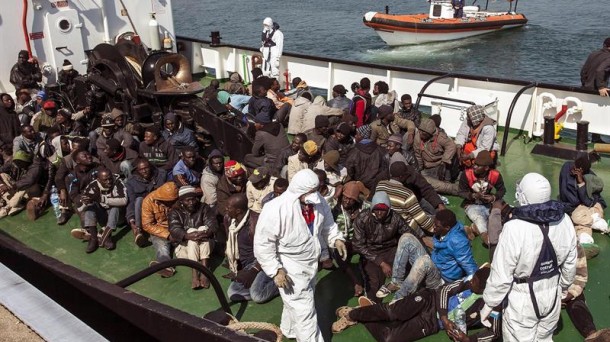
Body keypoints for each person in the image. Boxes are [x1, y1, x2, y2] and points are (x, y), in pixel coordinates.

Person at [482, 173, 578, 341]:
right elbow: (570, 262)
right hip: (552, 294)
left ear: (524, 196)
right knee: (545, 337)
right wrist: (563, 286)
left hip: (523, 298)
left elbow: (502, 274)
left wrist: (489, 303)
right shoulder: (565, 221)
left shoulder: (514, 228)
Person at [254, 169, 347, 341]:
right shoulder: (275, 209)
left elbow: (328, 226)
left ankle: (288, 329)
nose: (315, 195)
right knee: (305, 312)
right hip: (290, 267)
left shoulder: (319, 202)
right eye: (311, 192)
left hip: (311, 263)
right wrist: (276, 270)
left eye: (316, 190)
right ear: (299, 190)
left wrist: (336, 239)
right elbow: (263, 244)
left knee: (297, 302)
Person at [331, 266, 502, 342]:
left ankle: (365, 312)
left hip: (431, 323)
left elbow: (495, 333)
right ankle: (352, 315)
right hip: (429, 302)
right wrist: (444, 316)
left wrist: (468, 340)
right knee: (392, 313)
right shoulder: (471, 280)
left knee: (389, 338)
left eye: (476, 283)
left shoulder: (495, 307)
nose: (472, 282)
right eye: (474, 278)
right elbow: (444, 291)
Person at [352, 191, 421, 301]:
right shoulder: (362, 218)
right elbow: (358, 245)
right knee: (373, 283)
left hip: (391, 250)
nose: (379, 213)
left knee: (413, 272)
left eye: (383, 210)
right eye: (377, 209)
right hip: (371, 254)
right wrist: (381, 262)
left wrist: (426, 253)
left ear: (388, 209)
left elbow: (410, 235)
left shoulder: (395, 218)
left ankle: (407, 301)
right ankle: (373, 308)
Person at [225, 194, 279, 303]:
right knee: (233, 293)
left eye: (229, 207)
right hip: (247, 265)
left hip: (262, 261)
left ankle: (282, 281)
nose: (226, 209)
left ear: (238, 211)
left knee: (258, 296)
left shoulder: (257, 222)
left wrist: (253, 271)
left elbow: (269, 250)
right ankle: (257, 285)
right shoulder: (229, 220)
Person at [169, 185, 217, 289]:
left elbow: (212, 224)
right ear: (181, 201)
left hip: (204, 247)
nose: (191, 203)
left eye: (193, 199)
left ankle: (204, 273)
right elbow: (174, 229)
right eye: (187, 200)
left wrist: (206, 233)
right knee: (191, 231)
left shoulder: (204, 207)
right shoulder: (175, 211)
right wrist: (187, 235)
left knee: (202, 228)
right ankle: (195, 273)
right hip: (185, 250)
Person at [559, 155, 608, 245]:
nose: (573, 170)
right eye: (574, 166)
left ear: (582, 171)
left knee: (578, 218)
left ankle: (595, 222)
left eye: (578, 170)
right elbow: (568, 198)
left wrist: (581, 182)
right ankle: (596, 223)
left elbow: (589, 202)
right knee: (577, 217)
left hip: (590, 205)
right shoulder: (566, 167)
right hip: (576, 207)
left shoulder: (590, 177)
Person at [332, 180, 370, 297]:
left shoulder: (363, 207)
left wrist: (362, 216)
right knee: (339, 255)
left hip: (360, 241)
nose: (347, 201)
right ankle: (356, 282)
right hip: (342, 242)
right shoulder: (335, 208)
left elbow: (375, 207)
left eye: (351, 199)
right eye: (345, 197)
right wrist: (335, 197)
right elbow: (323, 208)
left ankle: (365, 272)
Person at [458, 150, 506, 242]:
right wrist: (473, 196)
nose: (474, 166)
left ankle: (474, 229)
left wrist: (493, 197)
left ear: (486, 168)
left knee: (500, 214)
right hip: (471, 204)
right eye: (475, 163)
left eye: (478, 165)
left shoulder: (495, 175)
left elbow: (502, 190)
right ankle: (485, 237)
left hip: (489, 204)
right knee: (479, 218)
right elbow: (461, 192)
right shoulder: (466, 174)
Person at [77, 168, 128, 253]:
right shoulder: (92, 186)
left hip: (118, 218)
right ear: (98, 180)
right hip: (103, 217)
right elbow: (80, 208)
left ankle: (107, 236)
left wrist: (102, 199)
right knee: (90, 207)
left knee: (115, 207)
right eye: (105, 180)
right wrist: (86, 203)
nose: (109, 181)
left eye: (110, 178)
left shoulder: (118, 182)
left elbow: (124, 200)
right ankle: (94, 239)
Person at [126, 158, 167, 247]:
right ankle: (138, 230)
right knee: (138, 200)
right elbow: (131, 202)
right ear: (137, 170)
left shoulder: (161, 174)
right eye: (141, 169)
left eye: (146, 168)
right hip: (143, 210)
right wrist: (131, 221)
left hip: (159, 206)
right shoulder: (131, 182)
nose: (144, 171)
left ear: (150, 167)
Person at [141, 181, 179, 278]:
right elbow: (147, 225)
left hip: (178, 227)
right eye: (169, 202)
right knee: (161, 246)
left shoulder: (179, 198)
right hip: (160, 230)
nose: (172, 204)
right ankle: (164, 265)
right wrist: (167, 235)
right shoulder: (148, 201)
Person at [430, 209, 478, 283]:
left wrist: (473, 282)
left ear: (447, 228)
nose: (434, 227)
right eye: (434, 224)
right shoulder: (442, 232)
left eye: (437, 226)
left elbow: (469, 266)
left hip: (443, 277)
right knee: (408, 239)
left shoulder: (457, 241)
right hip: (437, 262)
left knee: (423, 262)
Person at [414, 118, 458, 195]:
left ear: (429, 133)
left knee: (437, 184)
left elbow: (451, 146)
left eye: (423, 132)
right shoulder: (418, 137)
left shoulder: (440, 138)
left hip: (439, 166)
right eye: (419, 130)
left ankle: (453, 187)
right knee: (423, 181)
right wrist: (419, 168)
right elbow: (418, 155)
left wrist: (444, 161)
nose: (420, 133)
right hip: (426, 167)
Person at [344, 125, 389, 196]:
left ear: (362, 136)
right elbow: (385, 166)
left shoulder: (354, 151)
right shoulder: (380, 150)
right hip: (376, 184)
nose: (355, 136)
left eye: (357, 134)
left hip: (360, 184)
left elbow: (349, 169)